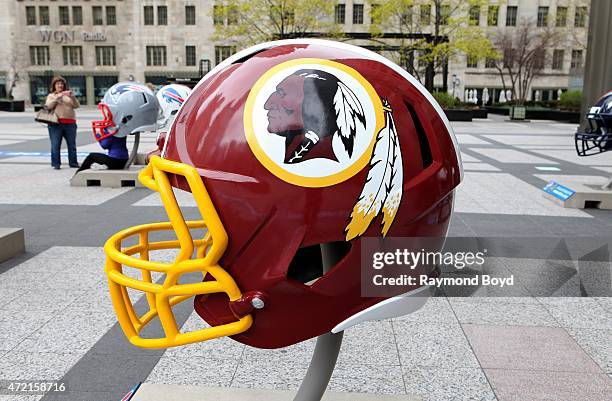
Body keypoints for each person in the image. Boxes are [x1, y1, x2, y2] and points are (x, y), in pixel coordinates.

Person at [45, 76, 80, 169]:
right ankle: (56, 164)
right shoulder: (51, 96)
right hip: (56, 124)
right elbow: (48, 106)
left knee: (72, 145)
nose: (60, 85)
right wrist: (58, 97)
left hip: (70, 123)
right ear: (54, 86)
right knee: (55, 144)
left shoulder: (68, 96)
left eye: (61, 84)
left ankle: (73, 163)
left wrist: (72, 97)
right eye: (58, 84)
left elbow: (76, 106)